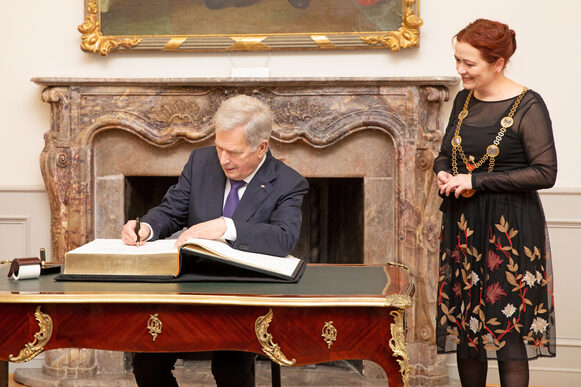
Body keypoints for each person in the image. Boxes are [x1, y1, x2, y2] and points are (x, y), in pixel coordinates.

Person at [121, 94, 309, 387]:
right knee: (146, 363)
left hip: (243, 299)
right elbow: (171, 211)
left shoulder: (287, 182)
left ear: (262, 148)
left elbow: (283, 238)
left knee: (230, 371)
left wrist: (227, 227)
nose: (223, 159)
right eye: (220, 147)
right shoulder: (201, 162)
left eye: (233, 152)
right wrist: (146, 226)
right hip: (190, 290)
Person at [433, 19, 557, 387]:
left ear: (497, 62)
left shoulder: (528, 105)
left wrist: (476, 181)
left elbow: (545, 173)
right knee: (467, 326)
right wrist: (443, 173)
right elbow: (444, 154)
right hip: (463, 225)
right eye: (457, 60)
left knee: (507, 329)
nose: (460, 70)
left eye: (469, 64)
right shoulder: (463, 99)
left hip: (511, 231)